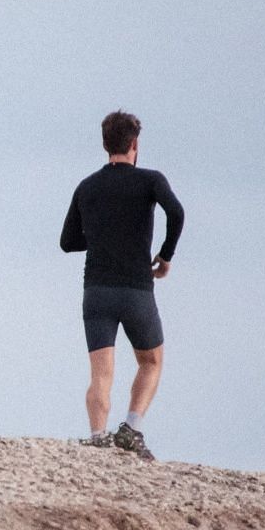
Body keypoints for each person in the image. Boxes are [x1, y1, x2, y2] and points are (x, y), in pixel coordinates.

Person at [59, 111, 184, 461]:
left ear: (105, 145)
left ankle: (98, 436)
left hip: (96, 290)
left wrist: (102, 238)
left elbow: (68, 242)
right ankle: (131, 427)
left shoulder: (87, 187)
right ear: (134, 144)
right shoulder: (150, 181)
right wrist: (165, 254)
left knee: (101, 371)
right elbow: (176, 213)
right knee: (151, 361)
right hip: (136, 289)